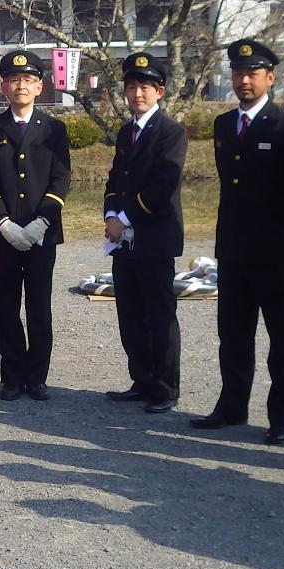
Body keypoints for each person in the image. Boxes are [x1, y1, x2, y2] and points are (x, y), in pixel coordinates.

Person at [192, 39, 284, 438]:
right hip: (233, 246)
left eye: (253, 74)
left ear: (271, 78)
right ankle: (232, 406)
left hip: (274, 247)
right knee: (233, 333)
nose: (244, 80)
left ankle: (282, 416)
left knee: (281, 335)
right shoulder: (224, 125)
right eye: (239, 73)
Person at [0, 51, 71, 403]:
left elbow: (60, 179)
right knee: (7, 306)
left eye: (28, 80)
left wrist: (41, 221)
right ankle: (12, 376)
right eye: (14, 80)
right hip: (4, 235)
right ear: (3, 86)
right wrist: (3, 223)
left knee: (38, 306)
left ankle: (38, 377)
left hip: (41, 234)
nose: (21, 86)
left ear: (39, 86)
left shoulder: (54, 129)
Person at [101, 52, 186, 414]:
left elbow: (161, 186)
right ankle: (142, 379)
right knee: (130, 312)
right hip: (123, 238)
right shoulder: (126, 131)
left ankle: (166, 387)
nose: (138, 93)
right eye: (132, 86)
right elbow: (116, 176)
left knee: (159, 313)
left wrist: (124, 217)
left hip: (153, 235)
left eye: (146, 87)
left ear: (160, 91)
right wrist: (109, 213)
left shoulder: (172, 131)